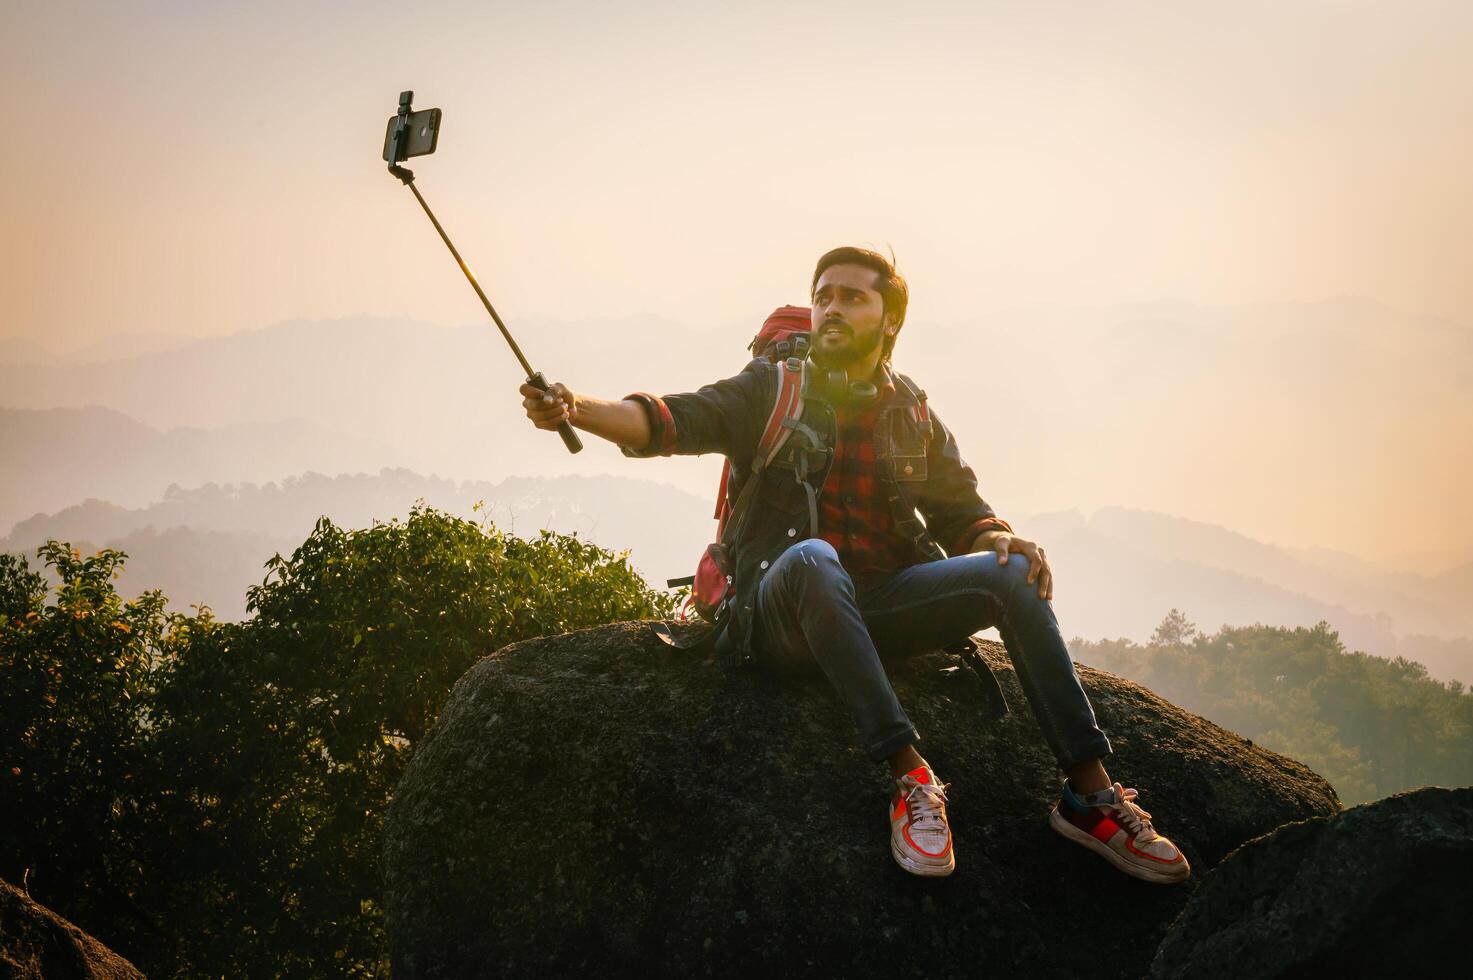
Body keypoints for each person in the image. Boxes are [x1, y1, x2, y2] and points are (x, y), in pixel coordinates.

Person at [519, 246, 1190, 883]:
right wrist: (574, 408)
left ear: (890, 317)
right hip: (780, 609)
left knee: (1011, 572)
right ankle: (910, 778)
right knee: (813, 557)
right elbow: (669, 420)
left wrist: (1001, 536)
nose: (832, 308)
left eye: (851, 297)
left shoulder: (910, 411)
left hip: (874, 605)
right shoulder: (771, 388)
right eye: (822, 297)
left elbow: (963, 513)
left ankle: (1089, 797)